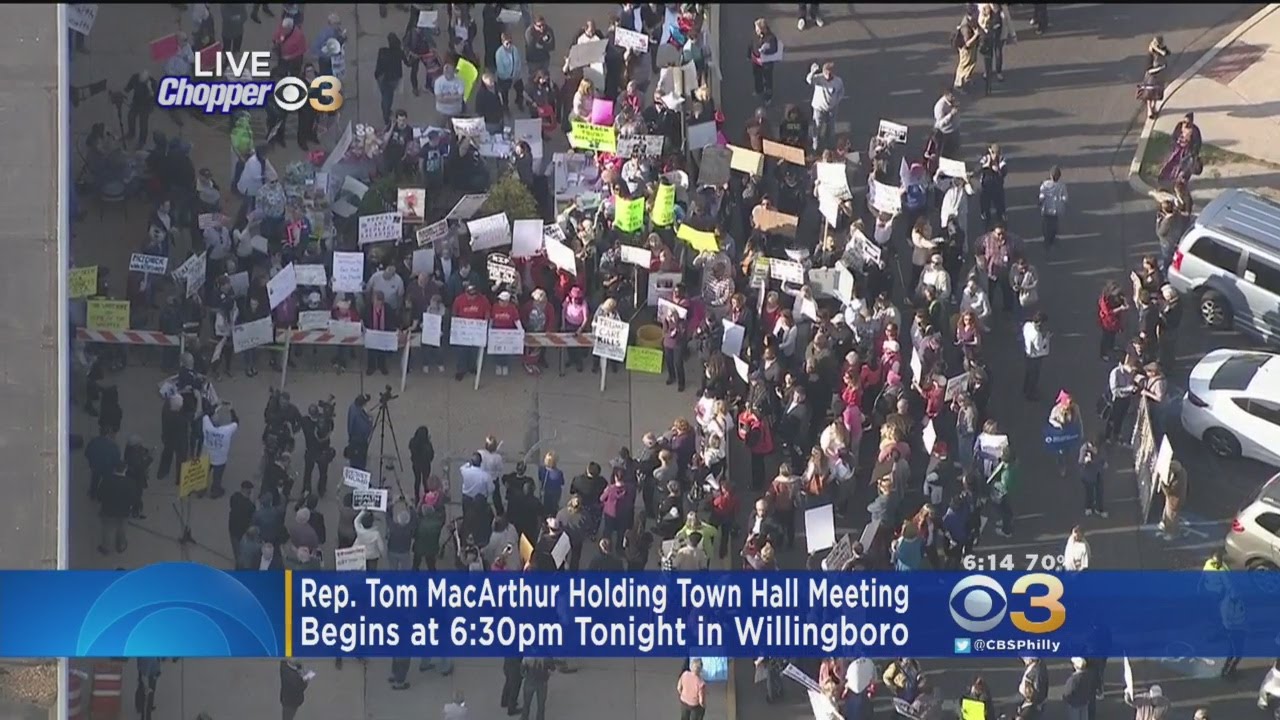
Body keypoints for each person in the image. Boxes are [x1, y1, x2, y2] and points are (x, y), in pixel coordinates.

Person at [805, 61, 844, 152]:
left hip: (832, 108)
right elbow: (809, 80)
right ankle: (816, 146)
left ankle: (829, 146)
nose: (828, 75)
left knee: (830, 127)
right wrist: (812, 72)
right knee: (817, 127)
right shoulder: (819, 79)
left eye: (830, 73)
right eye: (826, 73)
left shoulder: (838, 81)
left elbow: (841, 92)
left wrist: (836, 101)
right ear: (823, 72)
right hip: (819, 108)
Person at [374, 33, 404, 127]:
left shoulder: (382, 52)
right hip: (392, 80)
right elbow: (408, 62)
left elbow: (379, 66)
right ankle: (386, 116)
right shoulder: (399, 53)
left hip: (382, 78)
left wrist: (377, 75)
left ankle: (386, 113)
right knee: (388, 98)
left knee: (385, 96)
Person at [1021, 312, 1051, 401]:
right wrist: (1046, 338)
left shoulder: (1027, 325)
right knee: (1034, 375)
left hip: (1027, 353)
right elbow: (1039, 347)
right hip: (1036, 356)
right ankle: (1031, 393)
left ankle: (1025, 388)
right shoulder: (1037, 334)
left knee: (1028, 372)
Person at [1139, 36, 1170, 120]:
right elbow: (1148, 70)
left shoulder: (1162, 50)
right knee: (1150, 94)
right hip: (1151, 77)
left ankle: (1154, 107)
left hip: (1159, 77)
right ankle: (1150, 110)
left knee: (1156, 93)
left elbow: (1167, 53)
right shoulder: (1150, 55)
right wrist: (1159, 68)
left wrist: (1160, 49)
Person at [1038, 165, 1068, 251]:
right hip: (1056, 209)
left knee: (1046, 223)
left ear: (1050, 175)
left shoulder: (1045, 185)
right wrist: (1061, 201)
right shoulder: (1062, 186)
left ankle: (1047, 237)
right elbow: (1065, 198)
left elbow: (1042, 196)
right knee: (1054, 224)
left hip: (1046, 208)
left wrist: (1040, 202)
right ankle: (1052, 238)